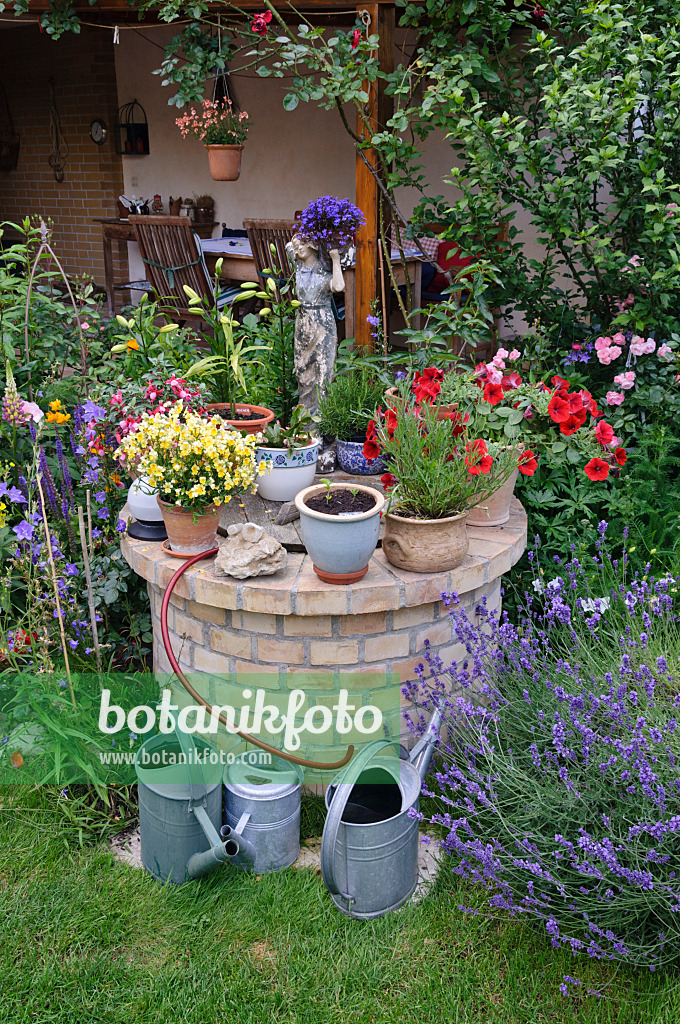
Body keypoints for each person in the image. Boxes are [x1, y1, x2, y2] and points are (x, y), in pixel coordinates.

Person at [285, 235, 344, 413]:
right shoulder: (298, 267)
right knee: (303, 373)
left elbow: (339, 287)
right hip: (303, 323)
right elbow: (289, 246)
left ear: (313, 245)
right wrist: (309, 230)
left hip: (322, 325)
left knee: (322, 373)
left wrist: (335, 259)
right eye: (297, 246)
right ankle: (305, 421)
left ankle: (321, 423)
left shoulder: (323, 273)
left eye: (303, 244)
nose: (298, 248)